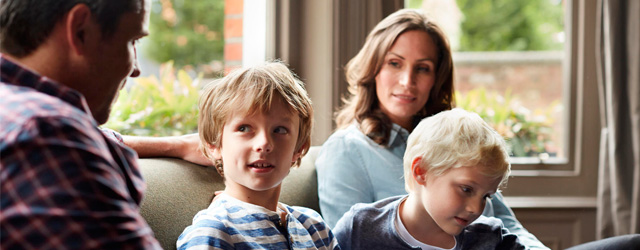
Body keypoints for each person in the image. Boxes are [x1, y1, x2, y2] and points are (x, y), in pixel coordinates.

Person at [314, 8, 549, 250]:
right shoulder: (347, 150)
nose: (407, 81)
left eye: (423, 68)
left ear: (437, 79)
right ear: (374, 69)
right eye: (395, 63)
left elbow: (511, 226)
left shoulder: (460, 144)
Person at [0, 0, 162, 249]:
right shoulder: (47, 134)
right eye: (132, 41)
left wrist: (177, 145)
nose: (136, 69)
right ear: (80, 31)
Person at [176, 62, 340, 250]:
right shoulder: (212, 232)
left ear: (299, 148)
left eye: (279, 130)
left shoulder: (315, 227)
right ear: (214, 144)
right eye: (244, 128)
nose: (264, 144)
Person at [333, 108, 525, 250]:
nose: (476, 208)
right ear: (421, 171)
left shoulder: (492, 239)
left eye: (486, 196)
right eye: (466, 189)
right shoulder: (358, 228)